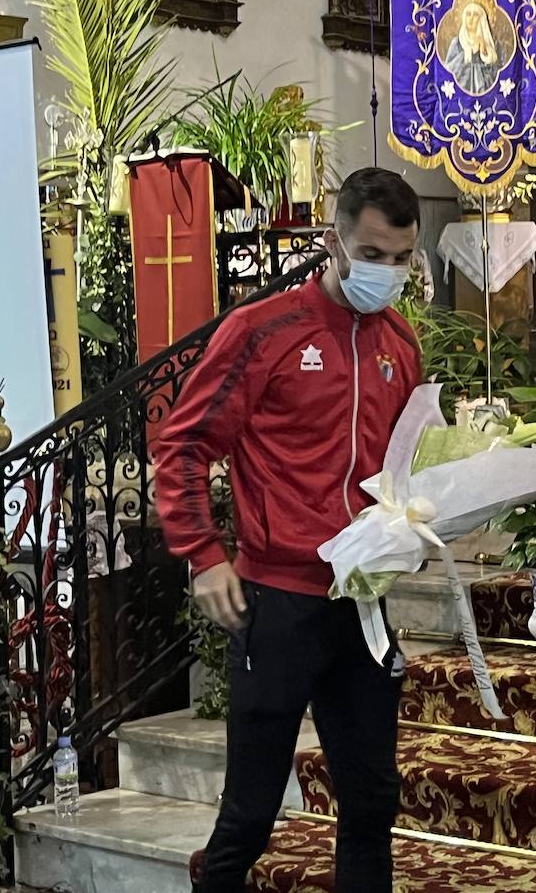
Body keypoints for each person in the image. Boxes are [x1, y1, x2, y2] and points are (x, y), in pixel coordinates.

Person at [155, 168, 424, 892]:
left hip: (362, 606)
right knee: (250, 813)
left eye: (402, 258)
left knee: (372, 802)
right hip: (278, 603)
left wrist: (418, 522)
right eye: (373, 254)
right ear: (333, 241)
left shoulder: (401, 344)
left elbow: (402, 466)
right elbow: (183, 445)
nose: (388, 271)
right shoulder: (263, 331)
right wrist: (204, 554)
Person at [444, 0, 502, 95]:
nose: (471, 18)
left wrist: (484, 51)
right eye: (468, 14)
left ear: (482, 19)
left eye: (475, 15)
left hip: (486, 92)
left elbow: (498, 71)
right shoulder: (456, 42)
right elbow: (448, 69)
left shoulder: (492, 43)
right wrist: (469, 53)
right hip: (460, 91)